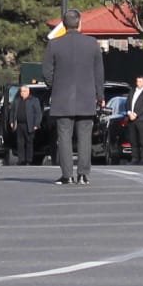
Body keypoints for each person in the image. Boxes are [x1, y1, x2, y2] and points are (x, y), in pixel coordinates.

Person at [43, 9, 105, 185]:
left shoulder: (54, 44)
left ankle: (67, 175)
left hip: (62, 98)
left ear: (63, 24)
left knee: (64, 137)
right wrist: (99, 94)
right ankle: (84, 174)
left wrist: (55, 86)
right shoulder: (92, 44)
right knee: (85, 136)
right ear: (79, 23)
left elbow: (46, 71)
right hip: (86, 97)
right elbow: (98, 72)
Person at [10, 84, 41, 166]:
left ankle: (29, 160)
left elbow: (38, 113)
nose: (21, 93)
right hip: (19, 125)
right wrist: (12, 122)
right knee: (20, 143)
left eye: (23, 91)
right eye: (21, 91)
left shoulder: (34, 100)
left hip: (29, 125)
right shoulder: (17, 100)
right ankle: (21, 160)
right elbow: (12, 112)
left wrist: (36, 124)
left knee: (29, 142)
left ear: (28, 92)